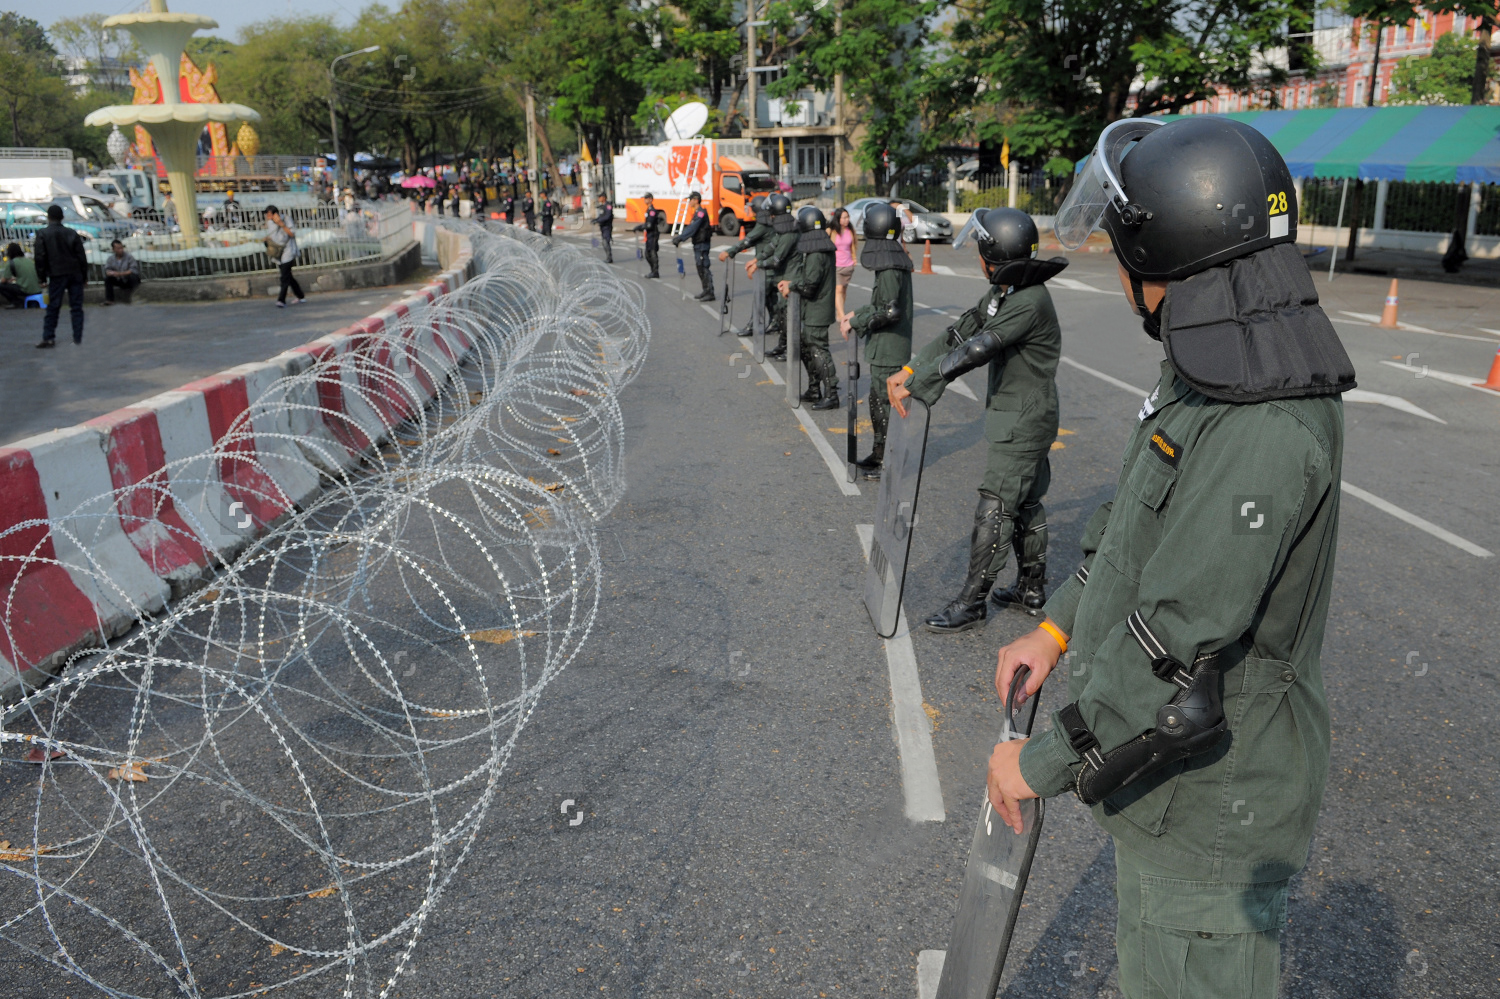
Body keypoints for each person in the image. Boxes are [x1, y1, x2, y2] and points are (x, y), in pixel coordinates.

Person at [984, 115, 1355, 999]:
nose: (1118, 269)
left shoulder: (1261, 418)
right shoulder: (1219, 359)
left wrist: (1035, 764)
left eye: (1123, 248)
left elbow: (1178, 629)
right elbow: (1135, 528)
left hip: (1214, 808)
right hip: (1173, 792)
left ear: (1170, 256)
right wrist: (1056, 625)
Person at [889, 207, 1065, 634]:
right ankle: (1030, 589)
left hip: (1024, 420)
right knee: (1024, 502)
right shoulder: (1005, 290)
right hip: (1020, 415)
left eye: (980, 249)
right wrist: (913, 369)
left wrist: (924, 383)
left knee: (996, 506)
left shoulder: (1029, 300)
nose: (976, 257)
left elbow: (978, 348)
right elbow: (961, 331)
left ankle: (971, 603)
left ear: (995, 253)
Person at [838, 203, 912, 479]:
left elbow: (891, 311)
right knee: (877, 401)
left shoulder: (891, 267)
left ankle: (890, 459)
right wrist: (855, 315)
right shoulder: (891, 262)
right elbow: (880, 304)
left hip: (889, 347)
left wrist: (857, 322)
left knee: (884, 403)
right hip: (885, 346)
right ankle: (881, 454)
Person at [780, 206, 840, 409]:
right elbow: (808, 278)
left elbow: (810, 285)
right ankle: (814, 388)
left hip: (817, 309)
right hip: (816, 308)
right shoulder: (821, 247)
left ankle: (831, 393)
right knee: (808, 348)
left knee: (818, 351)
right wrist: (792, 281)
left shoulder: (816, 252)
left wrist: (792, 285)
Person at [32, 204, 88, 348]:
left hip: (56, 273)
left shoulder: (43, 234)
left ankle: (48, 337)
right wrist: (84, 275)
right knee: (76, 307)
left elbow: (40, 257)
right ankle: (78, 338)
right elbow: (81, 255)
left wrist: (42, 277)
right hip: (74, 272)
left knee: (53, 307)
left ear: (48, 217)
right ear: (62, 217)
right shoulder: (71, 233)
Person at [719, 194, 772, 336]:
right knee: (770, 298)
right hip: (770, 265)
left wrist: (729, 252)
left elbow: (747, 240)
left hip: (766, 267)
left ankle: (753, 326)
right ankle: (776, 322)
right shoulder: (769, 223)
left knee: (759, 297)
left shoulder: (762, 225)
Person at [759, 194, 800, 358]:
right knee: (782, 316)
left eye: (773, 213)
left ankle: (792, 349)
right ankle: (783, 346)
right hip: (783, 278)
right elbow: (772, 245)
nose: (771, 217)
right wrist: (758, 259)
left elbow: (777, 259)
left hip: (791, 278)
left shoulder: (789, 232)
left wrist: (759, 264)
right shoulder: (783, 229)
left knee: (789, 317)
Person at [671, 191, 716, 302]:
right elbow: (691, 227)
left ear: (696, 200)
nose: (689, 202)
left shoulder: (700, 213)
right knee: (700, 267)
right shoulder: (697, 213)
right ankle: (705, 290)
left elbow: (693, 228)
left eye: (690, 200)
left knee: (704, 267)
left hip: (702, 245)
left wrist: (680, 238)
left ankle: (710, 292)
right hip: (698, 245)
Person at [264, 205, 304, 307]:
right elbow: (274, 236)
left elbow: (292, 234)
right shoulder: (269, 223)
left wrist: (281, 224)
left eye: (270, 214)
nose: (268, 216)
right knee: (288, 276)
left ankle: (281, 300)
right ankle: (300, 296)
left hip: (288, 250)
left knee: (284, 277)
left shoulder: (286, 219)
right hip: (278, 252)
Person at [829, 206, 856, 321]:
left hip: (848, 265)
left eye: (847, 217)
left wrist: (854, 259)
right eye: (844, 218)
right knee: (838, 289)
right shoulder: (831, 231)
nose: (846, 220)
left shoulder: (850, 231)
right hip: (836, 265)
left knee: (843, 290)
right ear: (838, 219)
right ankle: (841, 315)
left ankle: (839, 312)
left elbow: (852, 246)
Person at [631, 193, 666, 278]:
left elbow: (649, 225)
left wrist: (639, 227)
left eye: (646, 198)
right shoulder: (648, 210)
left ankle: (655, 272)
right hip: (649, 234)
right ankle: (653, 271)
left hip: (653, 234)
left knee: (652, 252)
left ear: (650, 199)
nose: (645, 200)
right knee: (647, 254)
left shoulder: (652, 211)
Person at [0, 242, 40, 309]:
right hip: (37, 289)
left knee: (1, 286)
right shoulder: (29, 261)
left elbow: (3, 281)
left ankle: (16, 302)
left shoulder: (12, 263)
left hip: (25, 290)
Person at [102, 240, 142, 305]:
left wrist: (120, 274)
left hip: (127, 279)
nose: (120, 250)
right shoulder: (111, 258)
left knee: (133, 277)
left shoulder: (129, 257)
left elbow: (133, 270)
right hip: (119, 279)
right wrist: (110, 273)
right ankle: (109, 300)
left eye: (121, 248)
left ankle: (136, 297)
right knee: (108, 279)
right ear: (113, 249)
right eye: (118, 248)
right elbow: (107, 269)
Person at [591, 198, 615, 263]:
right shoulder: (603, 206)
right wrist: (595, 220)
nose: (598, 199)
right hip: (603, 227)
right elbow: (601, 216)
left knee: (606, 242)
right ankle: (608, 257)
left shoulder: (608, 206)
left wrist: (598, 220)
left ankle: (609, 258)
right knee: (604, 242)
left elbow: (607, 216)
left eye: (599, 197)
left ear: (603, 197)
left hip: (607, 227)